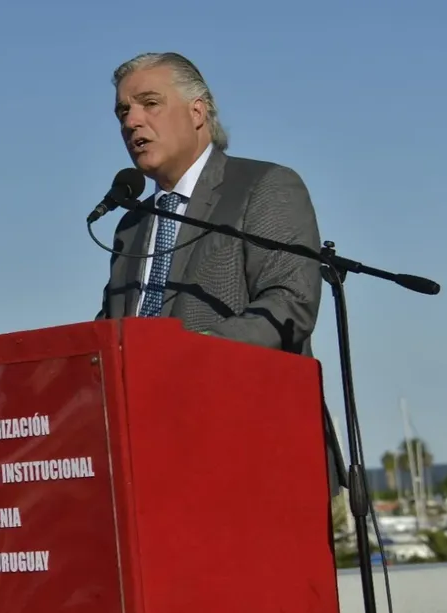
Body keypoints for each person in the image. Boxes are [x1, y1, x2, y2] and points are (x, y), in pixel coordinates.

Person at [97, 52, 345, 494]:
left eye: (149, 103)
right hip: (155, 455)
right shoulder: (130, 224)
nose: (132, 121)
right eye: (123, 112)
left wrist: (186, 356)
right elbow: (110, 328)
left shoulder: (264, 186)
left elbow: (289, 303)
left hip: (254, 452)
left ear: (198, 112)